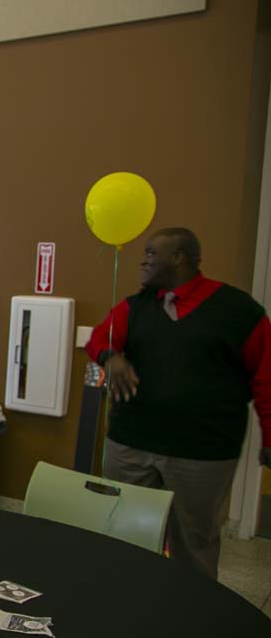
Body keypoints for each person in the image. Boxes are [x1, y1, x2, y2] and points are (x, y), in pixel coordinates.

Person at [85, 227, 271, 579]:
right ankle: (125, 598)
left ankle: (191, 615)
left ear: (179, 257)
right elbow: (98, 339)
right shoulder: (135, 307)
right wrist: (111, 357)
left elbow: (266, 380)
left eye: (152, 253)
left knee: (193, 542)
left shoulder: (239, 312)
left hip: (202, 452)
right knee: (122, 532)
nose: (144, 260)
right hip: (131, 443)